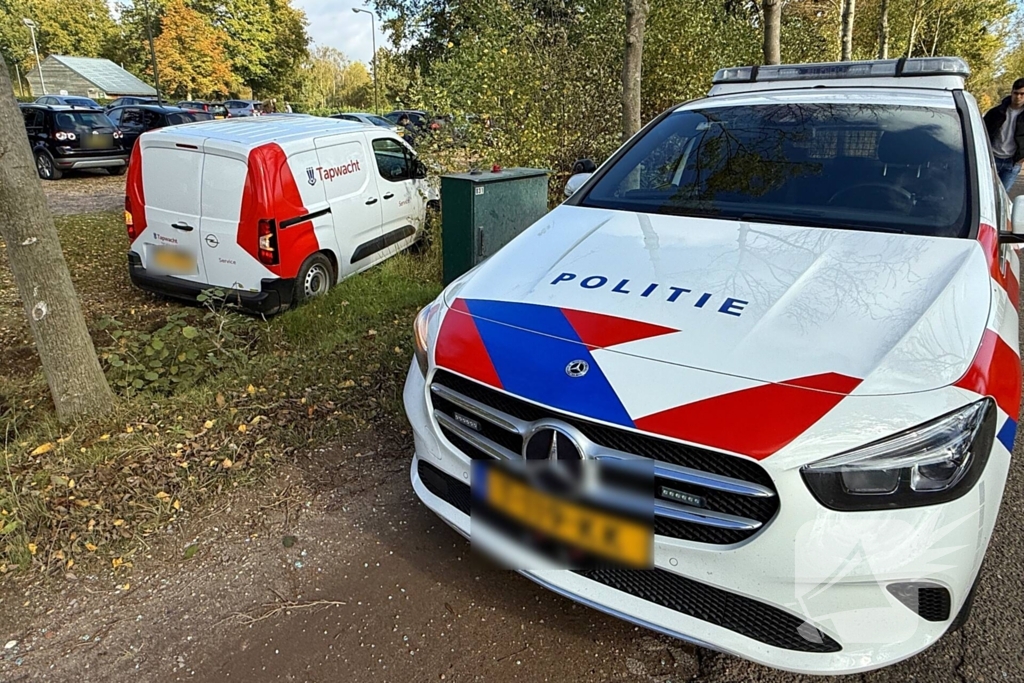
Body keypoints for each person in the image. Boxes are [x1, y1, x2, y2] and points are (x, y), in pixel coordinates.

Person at [984, 79, 1024, 191]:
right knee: (986, 191)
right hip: (992, 158)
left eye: (1022, 94)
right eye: (1016, 93)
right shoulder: (996, 112)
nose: (1018, 97)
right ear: (1011, 92)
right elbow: (982, 131)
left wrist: (1021, 158)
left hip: (1012, 163)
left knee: (1002, 195)